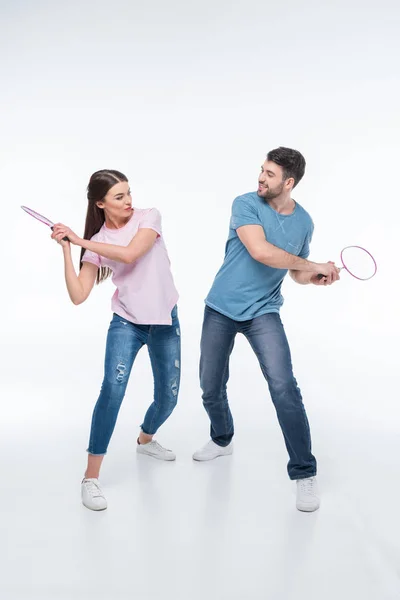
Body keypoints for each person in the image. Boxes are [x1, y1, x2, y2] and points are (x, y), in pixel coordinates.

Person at [193, 147, 340, 512]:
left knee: (284, 387)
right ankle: (222, 437)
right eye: (262, 170)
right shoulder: (245, 203)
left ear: (288, 183)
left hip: (264, 312)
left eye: (270, 174)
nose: (261, 177)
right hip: (221, 308)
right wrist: (311, 263)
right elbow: (260, 251)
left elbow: (295, 272)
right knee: (210, 386)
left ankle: (304, 473)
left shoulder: (303, 222)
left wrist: (314, 276)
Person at [51, 169, 180, 511]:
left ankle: (145, 439)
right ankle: (90, 478)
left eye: (128, 193)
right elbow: (79, 294)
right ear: (100, 203)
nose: (128, 201)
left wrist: (79, 240)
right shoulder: (97, 240)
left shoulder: (148, 218)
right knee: (113, 388)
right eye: (119, 196)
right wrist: (67, 250)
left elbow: (131, 254)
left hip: (165, 320)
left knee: (169, 398)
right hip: (127, 321)